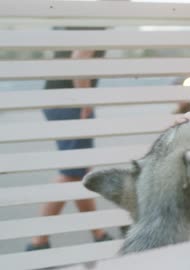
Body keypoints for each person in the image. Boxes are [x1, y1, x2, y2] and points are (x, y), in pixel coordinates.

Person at [26, 28, 112, 251]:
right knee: (71, 173)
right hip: (70, 102)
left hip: (59, 99)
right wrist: (84, 100)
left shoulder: (80, 17)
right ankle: (38, 242)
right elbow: (80, 57)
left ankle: (99, 234)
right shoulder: (95, 19)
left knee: (79, 172)